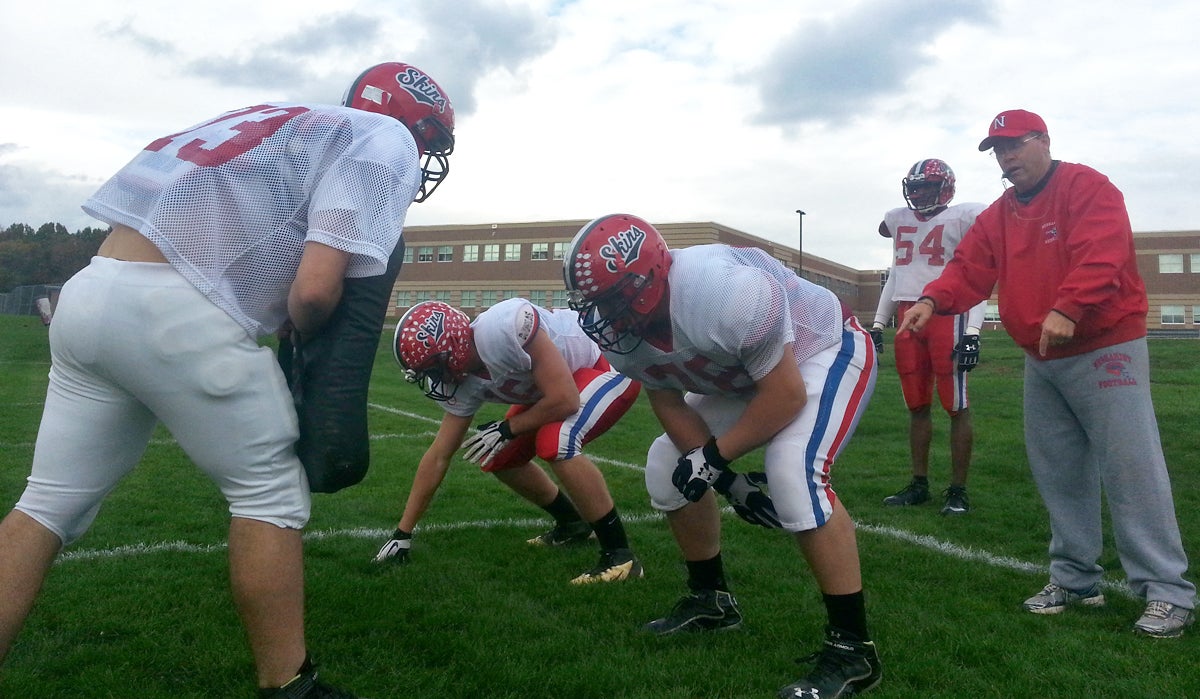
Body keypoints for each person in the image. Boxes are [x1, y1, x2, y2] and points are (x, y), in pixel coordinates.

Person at [0, 61, 456, 698]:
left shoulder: (286, 119)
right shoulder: (382, 140)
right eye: (428, 142)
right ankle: (290, 685)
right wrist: (299, 326)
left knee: (46, 503)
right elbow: (316, 290)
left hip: (91, 293)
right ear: (416, 127)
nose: (424, 158)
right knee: (269, 496)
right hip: (174, 311)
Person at [900, 109, 1196, 638]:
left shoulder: (1086, 186)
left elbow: (1102, 255)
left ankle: (1167, 592)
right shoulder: (1000, 213)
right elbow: (968, 268)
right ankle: (1076, 577)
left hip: (1106, 346)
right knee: (1058, 470)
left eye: (1014, 145)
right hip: (1042, 356)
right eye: (997, 150)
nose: (1006, 158)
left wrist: (1069, 307)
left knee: (1131, 468)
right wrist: (931, 299)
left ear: (1043, 141)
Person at [565, 214, 882, 699]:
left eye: (612, 301)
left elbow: (785, 396)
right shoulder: (630, 336)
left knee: (794, 473)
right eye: (595, 305)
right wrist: (729, 481)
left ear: (647, 279)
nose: (604, 317)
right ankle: (710, 599)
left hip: (822, 347)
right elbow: (667, 401)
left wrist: (714, 459)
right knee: (665, 468)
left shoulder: (722, 292)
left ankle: (854, 651)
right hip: (746, 375)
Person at [374, 298, 644, 584]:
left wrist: (508, 428)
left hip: (604, 364)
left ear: (454, 345)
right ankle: (572, 524)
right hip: (556, 388)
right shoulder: (463, 380)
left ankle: (620, 556)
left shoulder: (502, 329)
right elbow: (440, 454)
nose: (436, 378)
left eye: (434, 368)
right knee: (498, 457)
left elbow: (565, 399)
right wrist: (403, 533)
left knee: (556, 442)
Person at [872, 159, 987, 515]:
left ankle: (958, 490)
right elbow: (897, 274)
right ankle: (919, 483)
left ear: (946, 188)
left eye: (927, 186)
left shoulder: (965, 217)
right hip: (908, 317)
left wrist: (972, 331)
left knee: (956, 405)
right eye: (915, 186)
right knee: (917, 405)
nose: (918, 193)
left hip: (948, 315)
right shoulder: (899, 220)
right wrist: (878, 324)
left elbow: (975, 278)